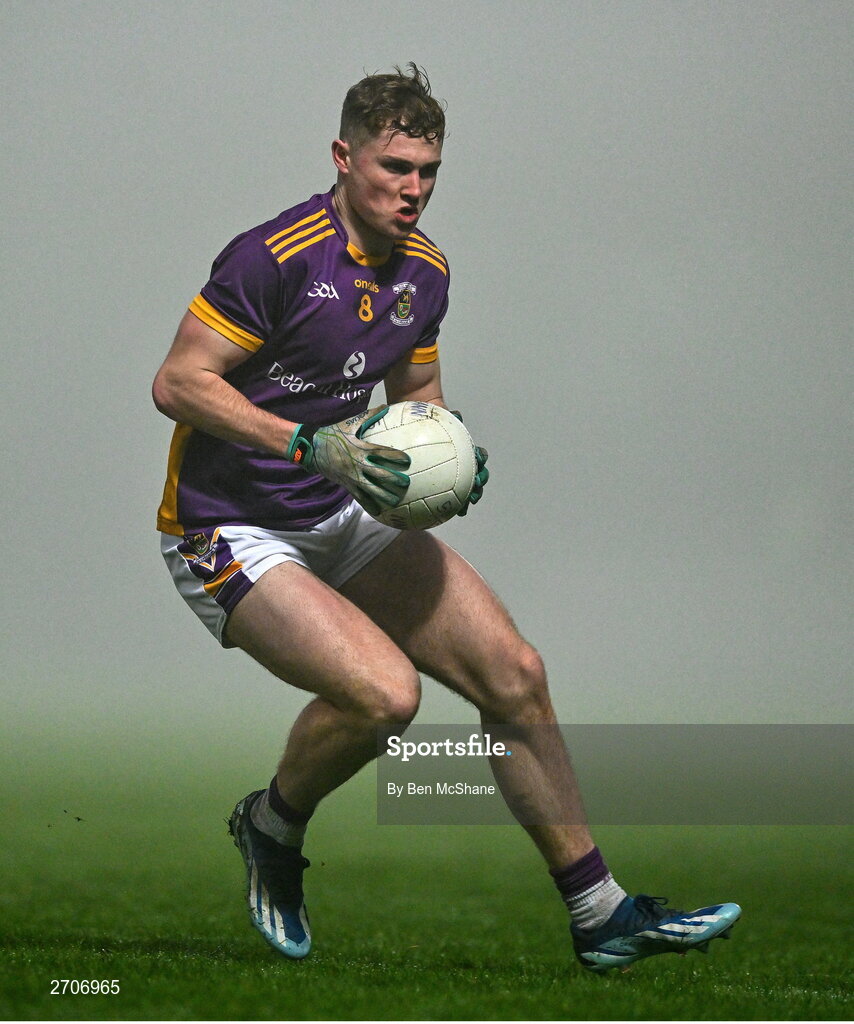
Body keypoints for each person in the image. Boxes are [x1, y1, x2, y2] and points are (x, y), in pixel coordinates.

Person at [152, 64, 740, 973]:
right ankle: (271, 827)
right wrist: (312, 445)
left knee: (515, 674)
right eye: (394, 168)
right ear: (344, 158)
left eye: (428, 171)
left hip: (343, 509)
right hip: (227, 526)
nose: (413, 190)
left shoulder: (424, 273)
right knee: (386, 697)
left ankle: (600, 913)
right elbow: (179, 384)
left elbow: (417, 391)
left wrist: (447, 456)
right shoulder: (272, 257)